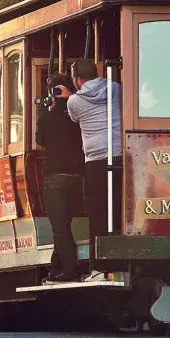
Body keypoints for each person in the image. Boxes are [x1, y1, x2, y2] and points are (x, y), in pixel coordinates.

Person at [57, 59, 122, 280]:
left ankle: (100, 268)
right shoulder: (115, 88)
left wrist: (68, 95)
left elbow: (75, 118)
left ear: (78, 79)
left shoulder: (74, 101)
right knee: (121, 209)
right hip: (121, 155)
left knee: (97, 215)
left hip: (95, 161)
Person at [35, 74, 85, 283]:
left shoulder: (47, 117)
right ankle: (56, 269)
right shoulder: (79, 114)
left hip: (55, 177)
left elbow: (40, 141)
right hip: (77, 177)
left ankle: (71, 271)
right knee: (63, 224)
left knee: (59, 226)